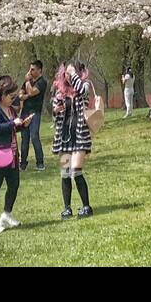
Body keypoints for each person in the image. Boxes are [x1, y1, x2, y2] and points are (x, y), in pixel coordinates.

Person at [0, 76, 32, 233]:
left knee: (14, 184)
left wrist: (23, 125)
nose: (13, 100)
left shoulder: (10, 109)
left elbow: (11, 128)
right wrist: (13, 123)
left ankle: (7, 214)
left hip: (12, 153)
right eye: (11, 97)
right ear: (3, 95)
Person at [51, 62, 93, 218]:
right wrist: (56, 111)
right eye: (66, 73)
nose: (67, 76)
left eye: (71, 72)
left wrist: (74, 74)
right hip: (64, 137)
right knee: (65, 173)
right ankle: (67, 207)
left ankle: (86, 206)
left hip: (80, 134)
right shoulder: (60, 92)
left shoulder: (85, 85)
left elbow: (82, 91)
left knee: (76, 171)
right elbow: (55, 118)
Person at [17, 60, 46, 172]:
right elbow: (21, 93)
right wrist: (22, 96)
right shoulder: (26, 81)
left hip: (35, 112)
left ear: (39, 70)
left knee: (34, 136)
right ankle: (23, 163)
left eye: (32, 69)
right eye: (29, 69)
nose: (30, 72)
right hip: (25, 112)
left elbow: (32, 92)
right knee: (25, 138)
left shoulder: (42, 82)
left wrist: (28, 83)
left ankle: (40, 163)